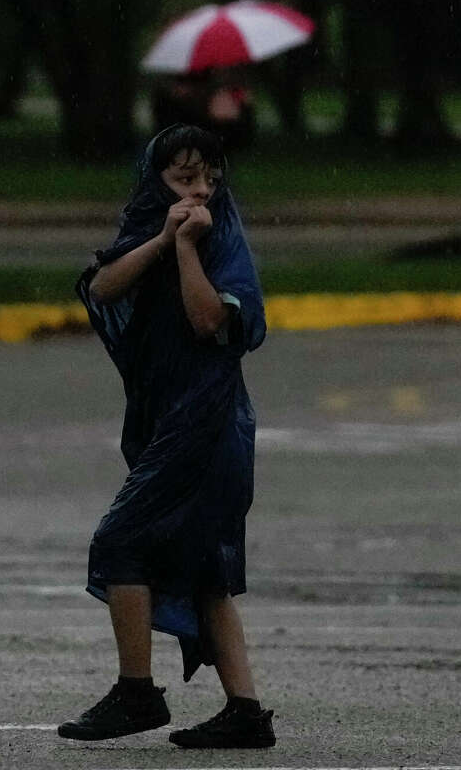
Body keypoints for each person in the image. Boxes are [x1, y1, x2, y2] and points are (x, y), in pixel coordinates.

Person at [60, 124, 273, 749]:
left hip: (207, 422)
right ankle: (245, 714)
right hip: (165, 415)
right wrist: (162, 238)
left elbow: (212, 321)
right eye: (184, 179)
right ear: (156, 180)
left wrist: (186, 249)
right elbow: (102, 288)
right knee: (204, 567)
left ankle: (136, 693)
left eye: (210, 178)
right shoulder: (146, 227)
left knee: (122, 542)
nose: (200, 191)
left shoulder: (222, 242)